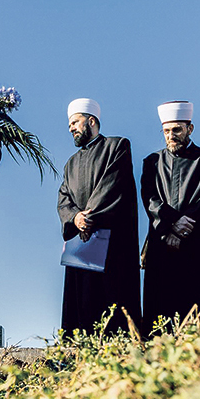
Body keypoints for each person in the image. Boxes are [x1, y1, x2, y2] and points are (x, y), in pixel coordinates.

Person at [57, 98, 141, 333]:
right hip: (80, 245)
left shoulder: (117, 146)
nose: (71, 128)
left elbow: (112, 185)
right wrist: (75, 218)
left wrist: (88, 217)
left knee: (112, 307)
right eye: (69, 124)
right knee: (80, 308)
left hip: (112, 242)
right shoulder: (70, 164)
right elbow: (63, 197)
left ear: (91, 121)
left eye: (75, 122)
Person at [141, 101, 200, 330]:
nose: (171, 136)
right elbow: (150, 198)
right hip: (162, 244)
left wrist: (181, 228)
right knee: (161, 319)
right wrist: (171, 224)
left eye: (176, 130)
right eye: (166, 131)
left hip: (196, 246)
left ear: (190, 128)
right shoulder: (151, 162)